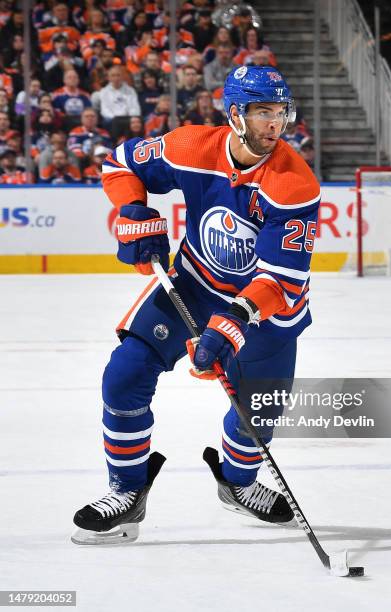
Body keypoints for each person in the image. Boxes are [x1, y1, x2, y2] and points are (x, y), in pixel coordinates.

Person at [71, 65, 320, 545]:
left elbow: (281, 281)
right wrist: (133, 209)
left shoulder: (294, 183)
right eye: (263, 112)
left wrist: (231, 325)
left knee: (260, 411)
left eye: (281, 113)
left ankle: (239, 483)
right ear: (234, 114)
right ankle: (127, 491)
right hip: (194, 283)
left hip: (266, 309)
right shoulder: (189, 146)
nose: (275, 124)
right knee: (123, 375)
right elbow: (119, 163)